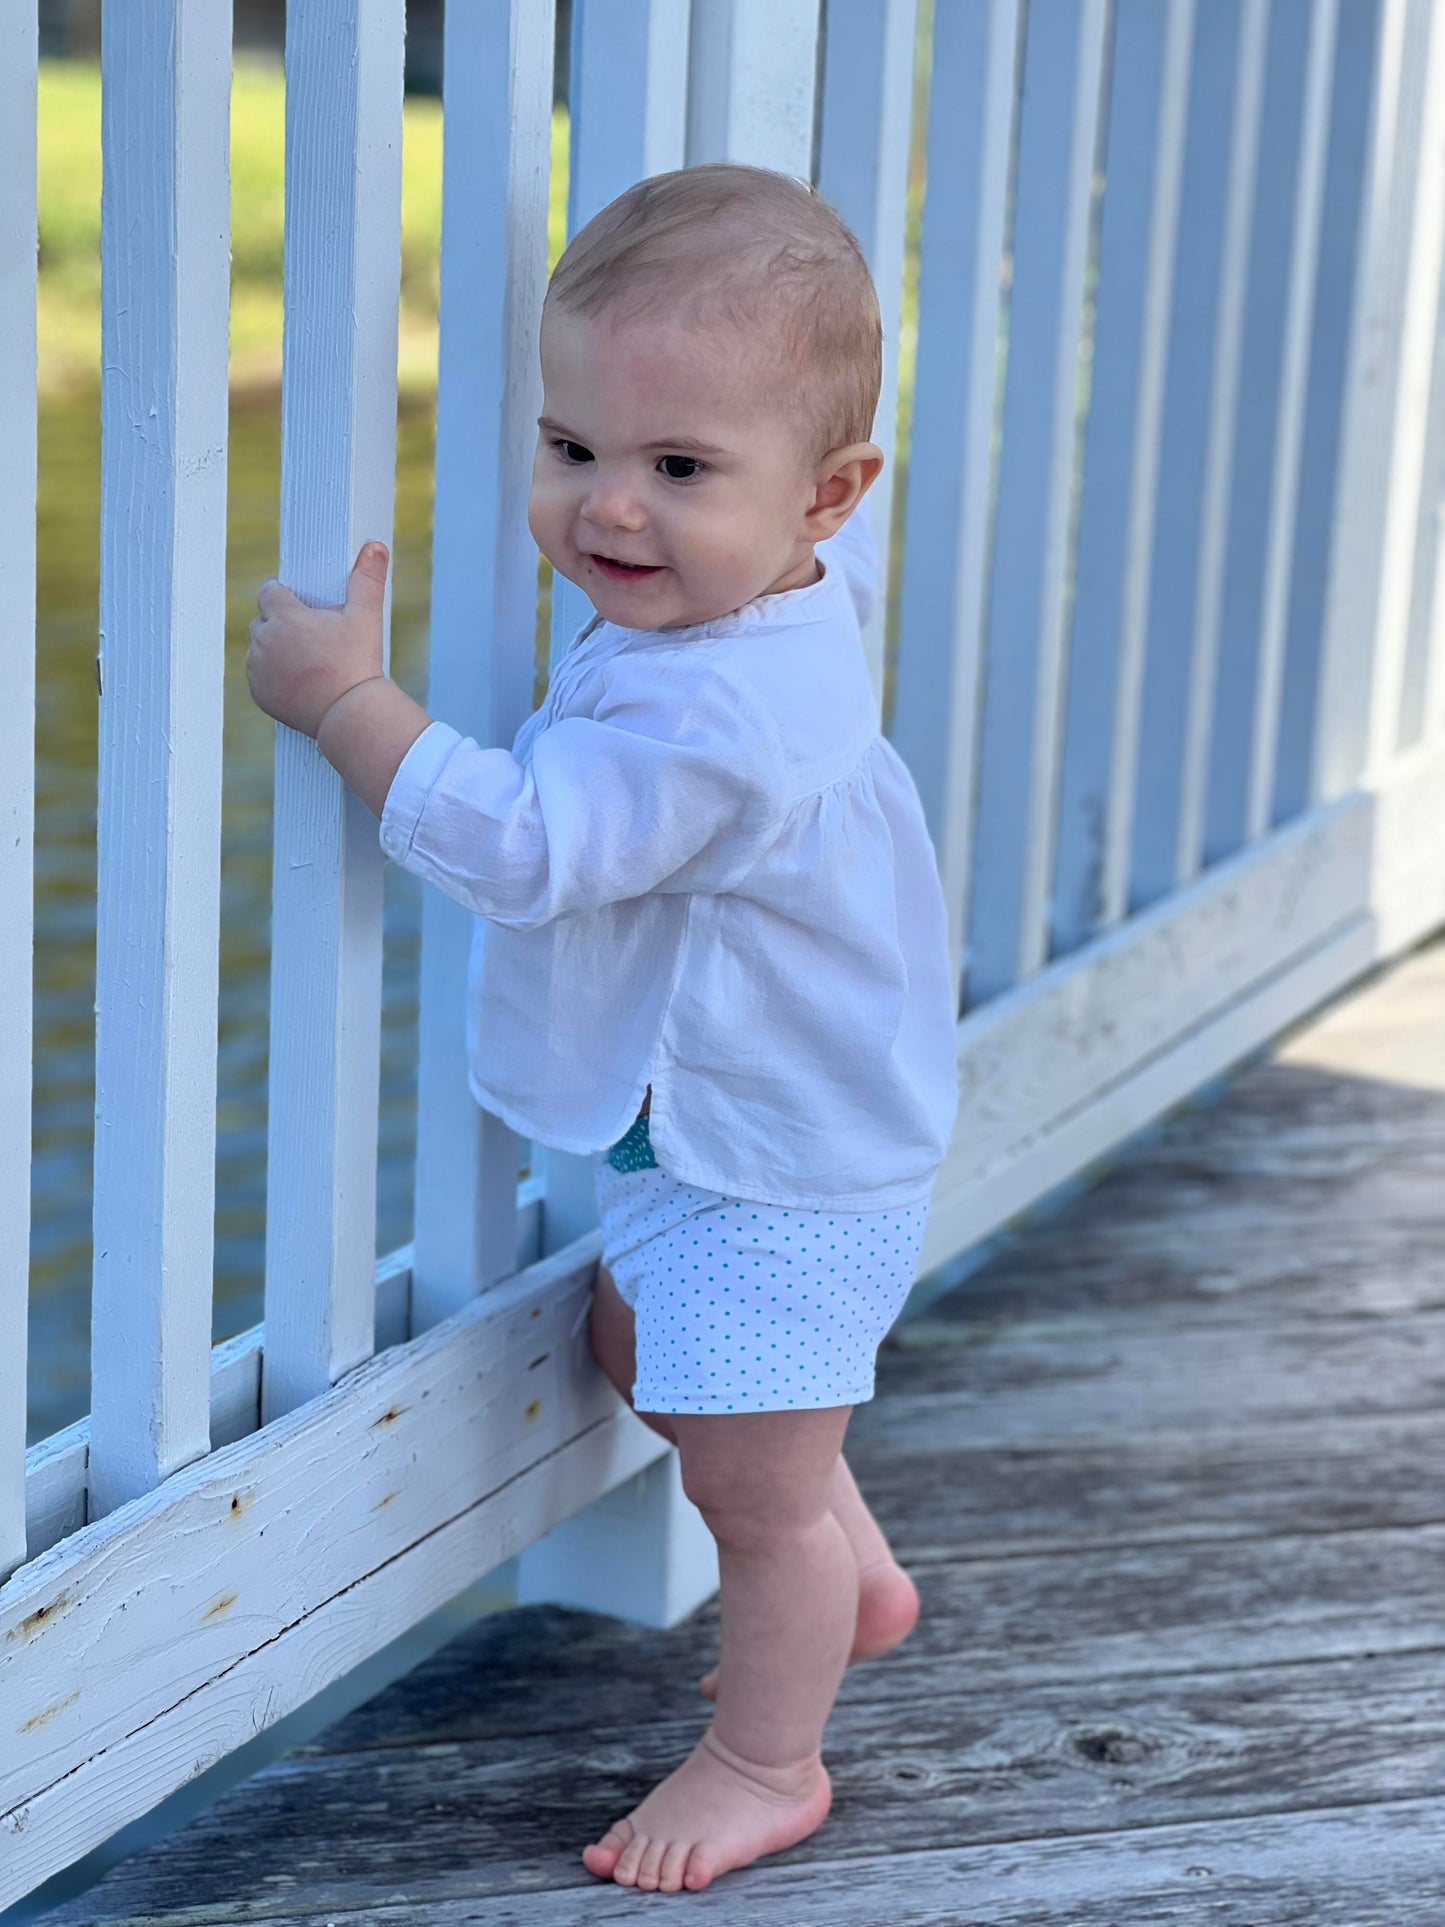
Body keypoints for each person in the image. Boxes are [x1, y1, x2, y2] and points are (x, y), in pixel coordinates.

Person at [246, 161, 960, 1896]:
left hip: (779, 1163)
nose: (608, 513)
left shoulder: (728, 713)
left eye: (680, 470)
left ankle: (767, 1753)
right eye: (574, 450)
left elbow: (534, 846)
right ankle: (853, 1580)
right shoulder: (768, 595)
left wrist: (353, 705)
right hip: (737, 1115)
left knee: (754, 1497)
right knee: (657, 1362)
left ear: (831, 496)